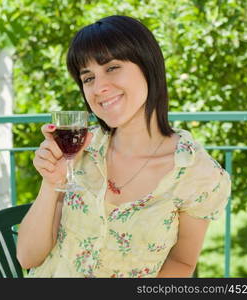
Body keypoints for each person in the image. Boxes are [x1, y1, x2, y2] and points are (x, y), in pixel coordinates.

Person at [16, 15, 231, 278]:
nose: (99, 88)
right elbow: (27, 257)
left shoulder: (197, 174)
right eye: (88, 78)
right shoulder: (79, 149)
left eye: (112, 68)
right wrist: (52, 183)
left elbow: (183, 262)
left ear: (147, 66)